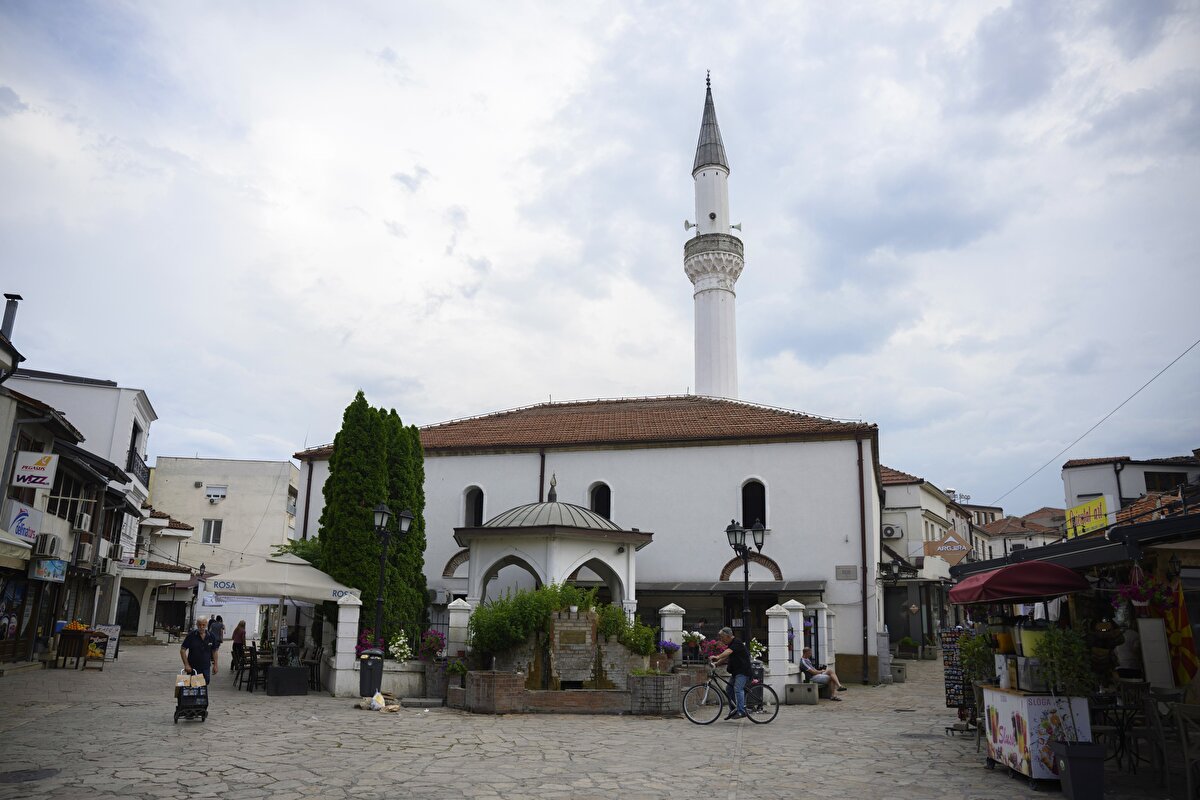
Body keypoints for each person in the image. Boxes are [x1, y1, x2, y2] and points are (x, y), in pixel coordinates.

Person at [710, 626, 753, 720]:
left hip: (743, 671)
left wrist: (717, 657)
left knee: (738, 689)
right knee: (729, 689)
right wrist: (717, 663)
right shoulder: (731, 644)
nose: (721, 639)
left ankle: (741, 711)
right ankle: (734, 710)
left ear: (728, 636)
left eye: (722, 637)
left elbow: (728, 652)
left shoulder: (736, 642)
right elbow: (726, 657)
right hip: (736, 672)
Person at [180, 615, 220, 687]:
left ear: (206, 625)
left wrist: (215, 665)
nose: (201, 627)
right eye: (199, 625)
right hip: (193, 668)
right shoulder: (191, 635)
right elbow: (182, 650)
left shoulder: (211, 636)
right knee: (195, 687)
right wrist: (186, 664)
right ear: (197, 625)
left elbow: (215, 651)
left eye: (203, 625)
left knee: (204, 686)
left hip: (205, 667)